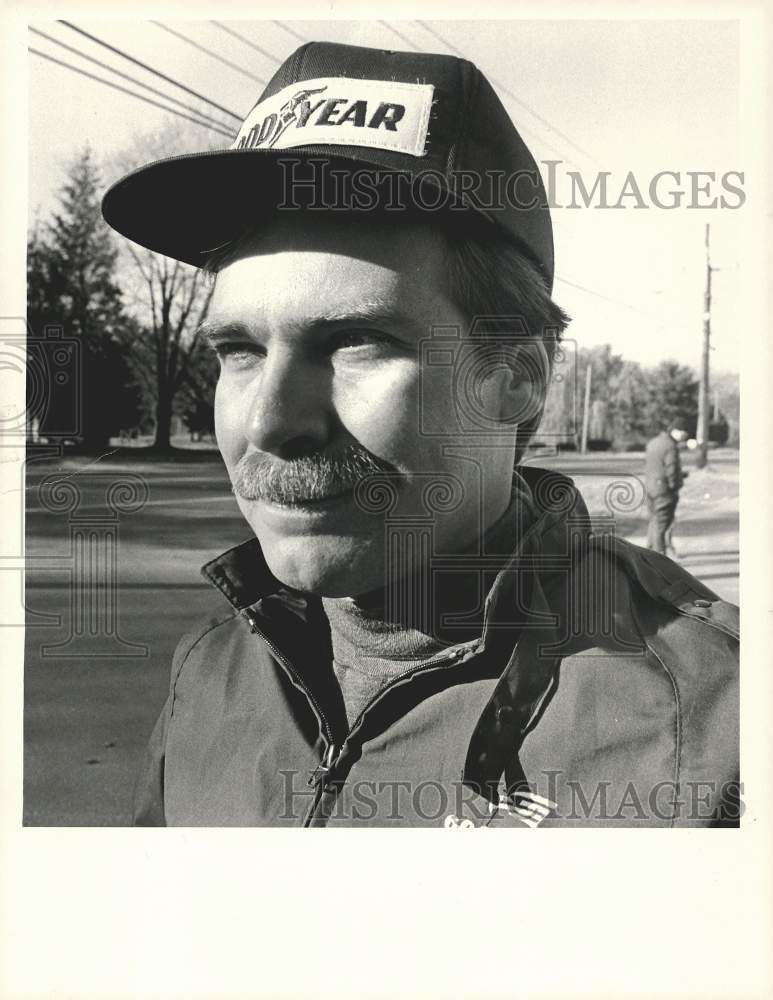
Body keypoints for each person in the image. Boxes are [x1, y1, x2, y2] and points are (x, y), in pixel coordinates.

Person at [102, 41, 739, 827]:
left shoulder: (713, 732)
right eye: (240, 351)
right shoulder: (211, 671)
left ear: (517, 378)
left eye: (356, 343)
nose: (269, 423)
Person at [645, 424, 689, 556]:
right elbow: (671, 468)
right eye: (682, 431)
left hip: (650, 487)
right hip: (665, 490)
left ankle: (649, 551)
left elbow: (655, 466)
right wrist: (675, 485)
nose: (684, 435)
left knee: (654, 521)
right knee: (662, 524)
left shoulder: (652, 443)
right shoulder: (671, 446)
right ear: (674, 431)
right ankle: (659, 555)